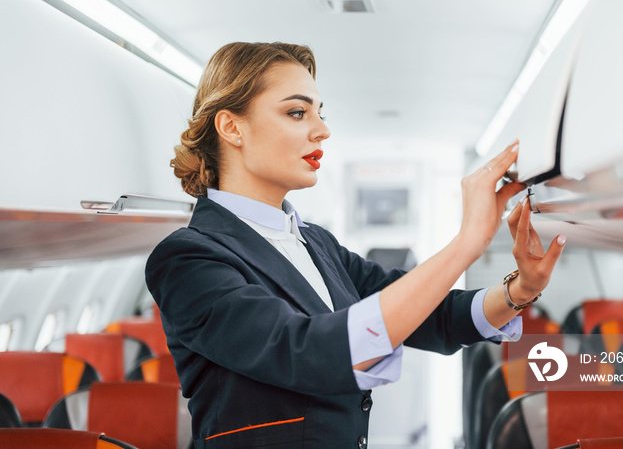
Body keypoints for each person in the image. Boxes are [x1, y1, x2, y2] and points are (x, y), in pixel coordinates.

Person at [145, 41, 566, 449]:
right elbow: (303, 350)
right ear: (232, 127)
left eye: (320, 113)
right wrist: (466, 244)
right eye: (297, 112)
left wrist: (519, 290)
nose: (322, 130)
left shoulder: (315, 242)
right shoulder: (187, 258)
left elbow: (430, 314)